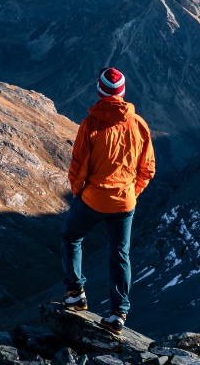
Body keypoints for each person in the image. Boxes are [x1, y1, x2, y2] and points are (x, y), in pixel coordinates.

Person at [61, 67, 155, 334]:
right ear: (122, 93)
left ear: (100, 92)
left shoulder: (90, 124)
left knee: (71, 236)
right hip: (125, 202)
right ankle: (119, 313)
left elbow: (77, 167)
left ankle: (75, 291)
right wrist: (132, 193)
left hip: (93, 199)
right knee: (120, 255)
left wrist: (78, 192)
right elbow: (147, 168)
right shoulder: (139, 124)